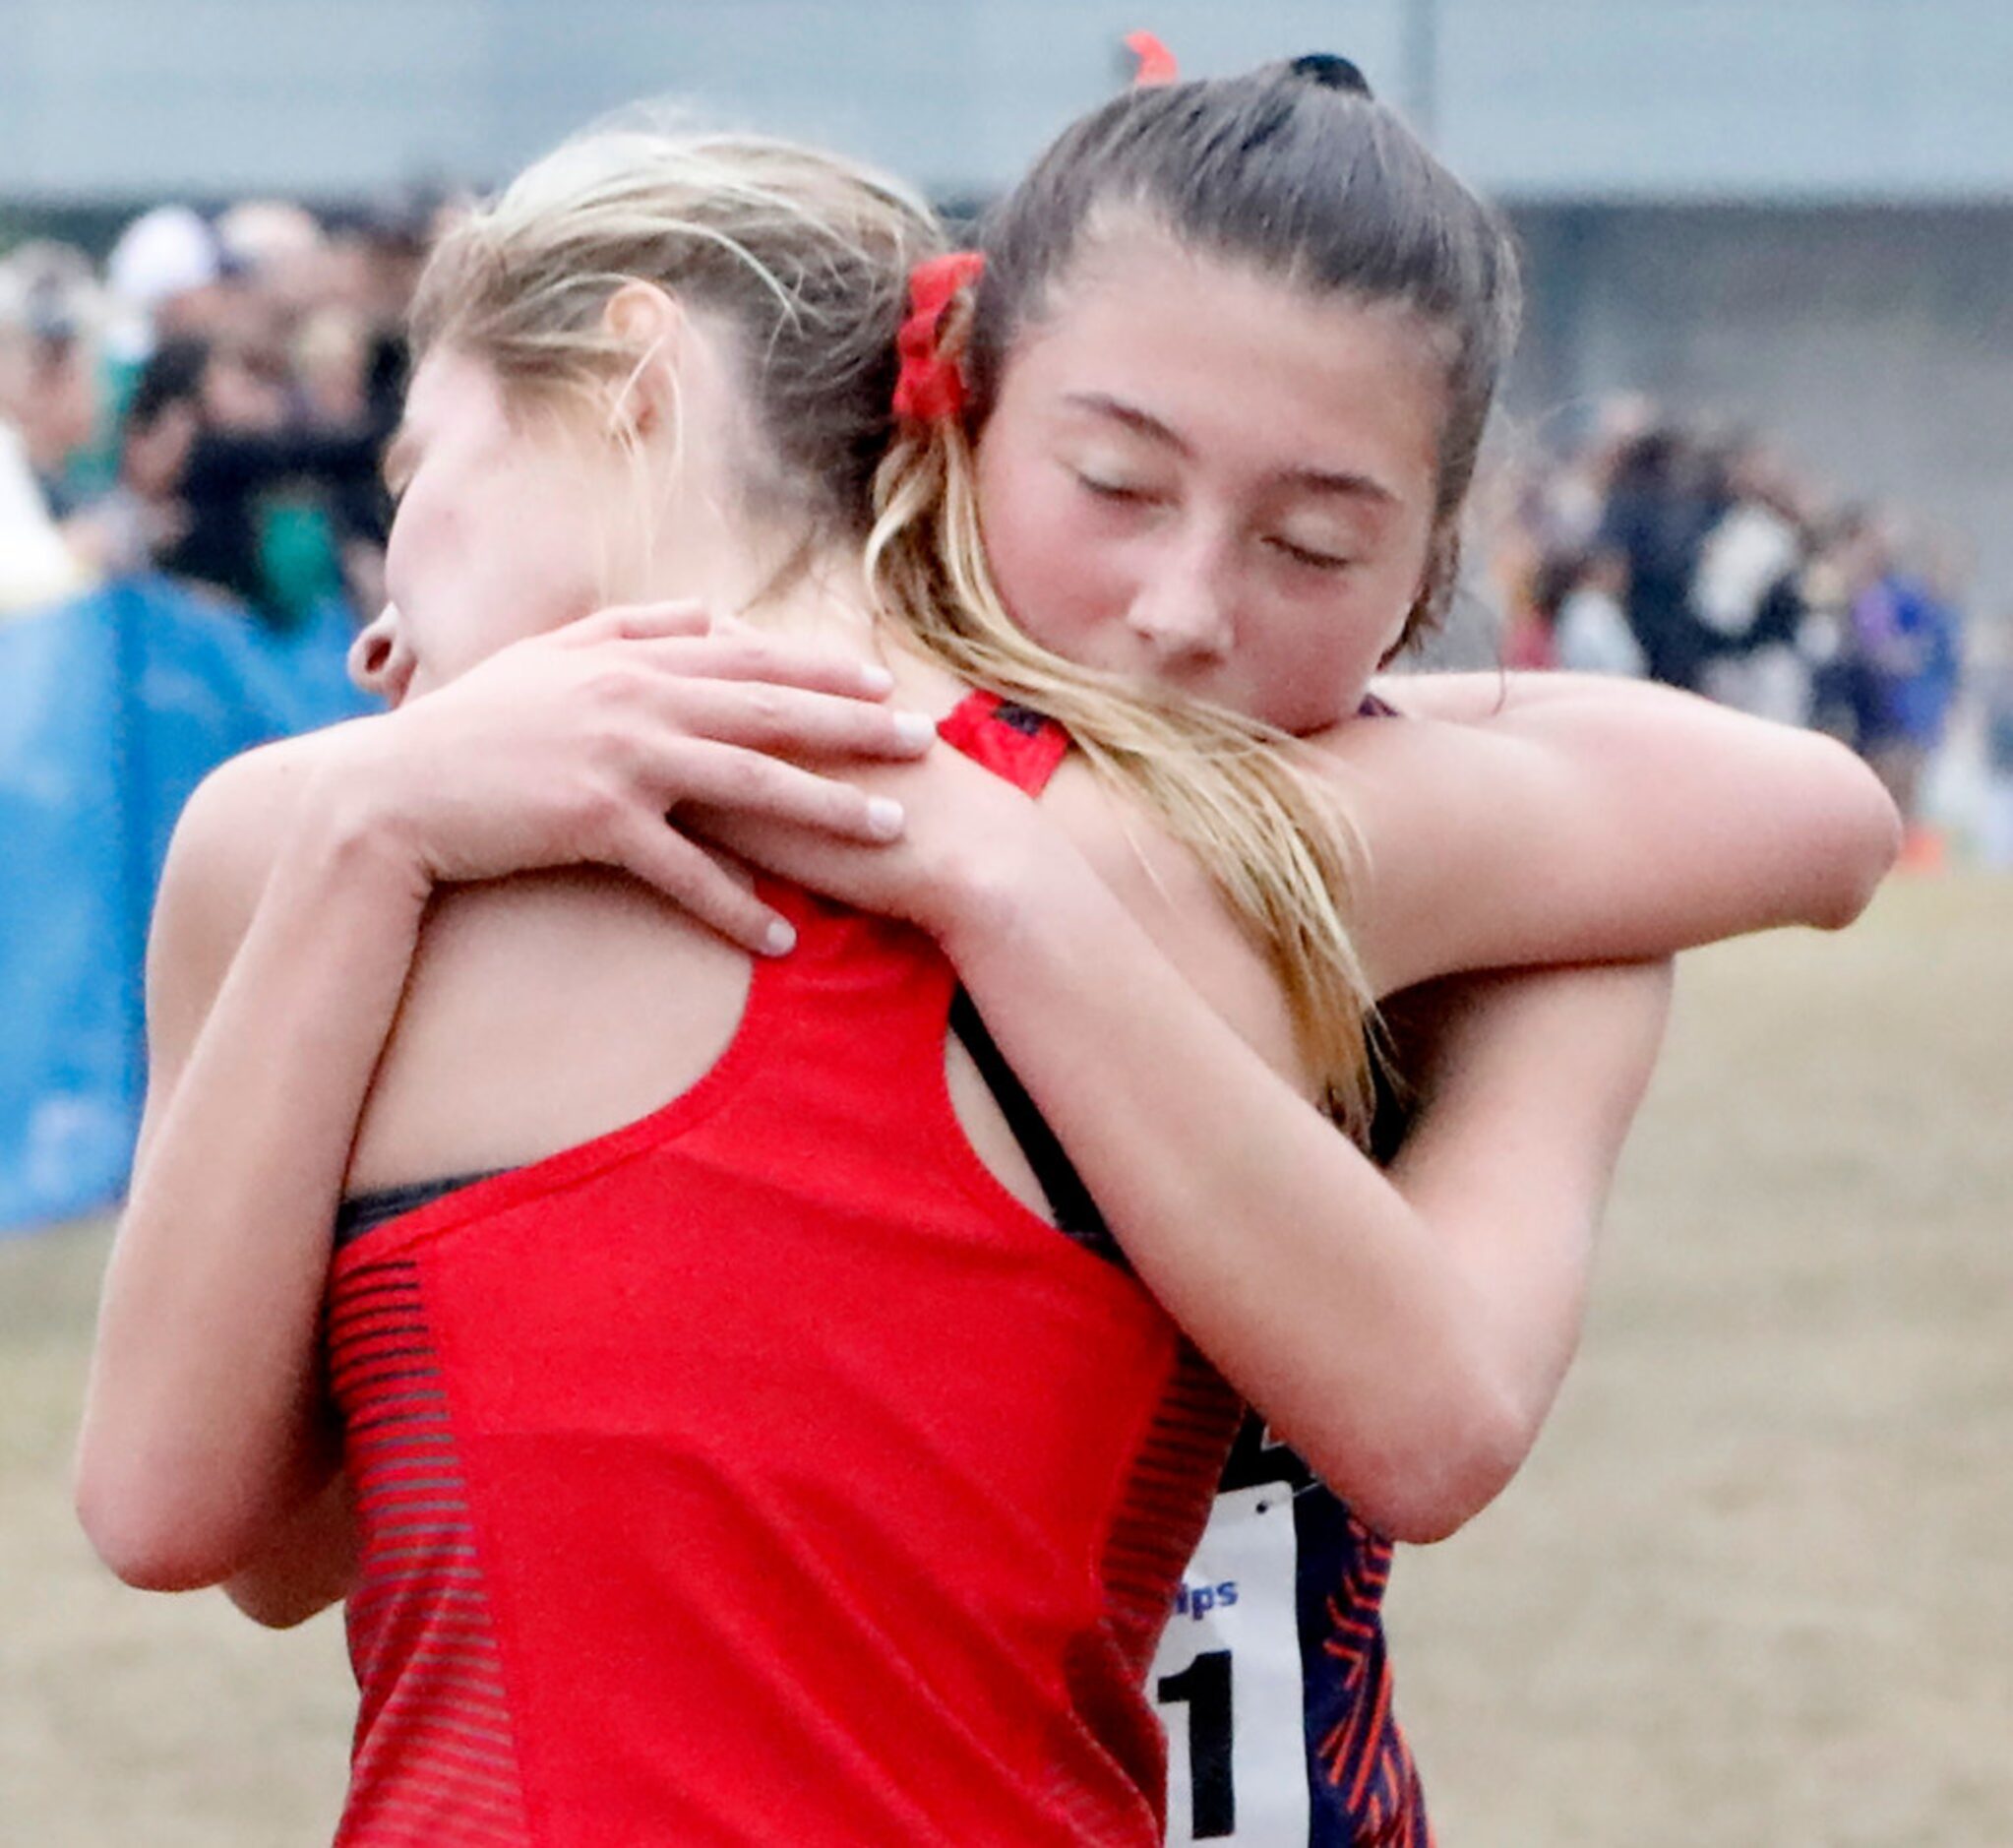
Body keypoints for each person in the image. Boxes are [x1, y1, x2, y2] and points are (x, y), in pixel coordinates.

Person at [77, 79, 1896, 1848]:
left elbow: (217, 1534)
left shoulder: (301, 833)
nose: (383, 611)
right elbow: (258, 1535)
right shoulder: (1200, 828)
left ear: (633, 382)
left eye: (421, 469)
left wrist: (374, 822)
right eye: (1113, 482)